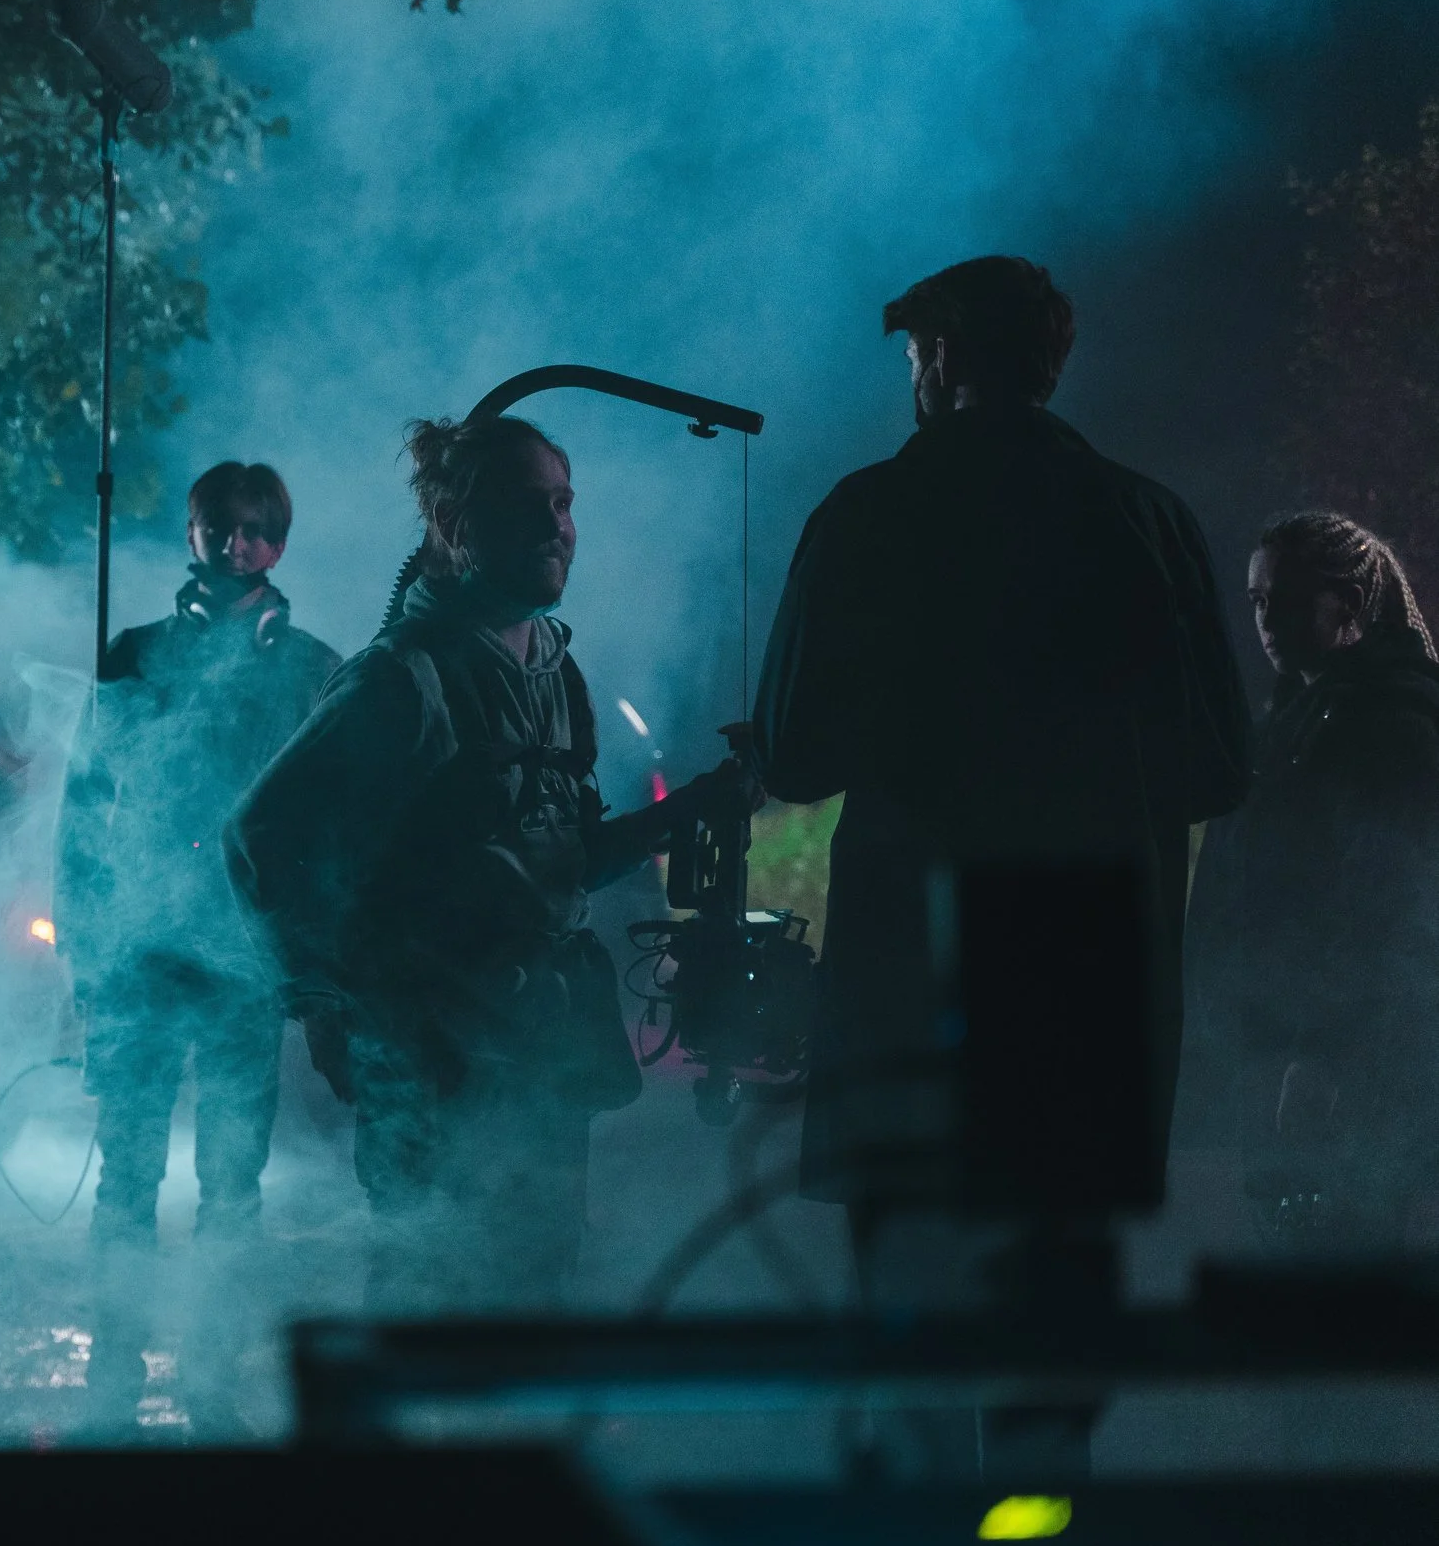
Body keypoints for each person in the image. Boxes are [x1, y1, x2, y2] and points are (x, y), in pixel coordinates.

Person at [753, 256, 1250, 1477]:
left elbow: (798, 752)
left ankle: (914, 1533)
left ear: (937, 361)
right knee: (1048, 1328)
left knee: (912, 1319)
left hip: (904, 975)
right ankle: (1034, 1530)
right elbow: (1217, 770)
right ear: (1049, 363)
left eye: (915, 356)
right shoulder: (1147, 518)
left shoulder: (866, 514)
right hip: (1084, 974)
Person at [227, 415, 751, 1311]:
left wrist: (689, 811)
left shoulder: (554, 668)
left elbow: (566, 855)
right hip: (432, 1058)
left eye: (564, 502)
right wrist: (317, 1002)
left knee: (535, 1304)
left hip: (538, 1057)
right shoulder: (401, 677)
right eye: (527, 505)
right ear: (457, 525)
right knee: (430, 1312)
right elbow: (261, 835)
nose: (557, 526)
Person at [55, 461, 341, 1425]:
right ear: (190, 532)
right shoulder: (132, 654)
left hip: (245, 958)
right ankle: (112, 1376)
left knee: (233, 1181)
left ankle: (212, 1372)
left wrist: (317, 960)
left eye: (258, 527)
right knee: (126, 1176)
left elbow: (331, 831)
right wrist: (82, 950)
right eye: (220, 525)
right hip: (138, 951)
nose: (238, 542)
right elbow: (83, 808)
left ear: (280, 542)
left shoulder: (310, 669)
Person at [1186, 513, 1439, 1252]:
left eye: (1288, 598)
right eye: (1259, 600)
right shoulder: (1303, 718)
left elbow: (1385, 907)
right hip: (1287, 1044)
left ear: (1350, 605)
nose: (1267, 619)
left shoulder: (1390, 724)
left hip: (1345, 1058)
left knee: (1344, 1270)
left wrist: (1323, 1050)